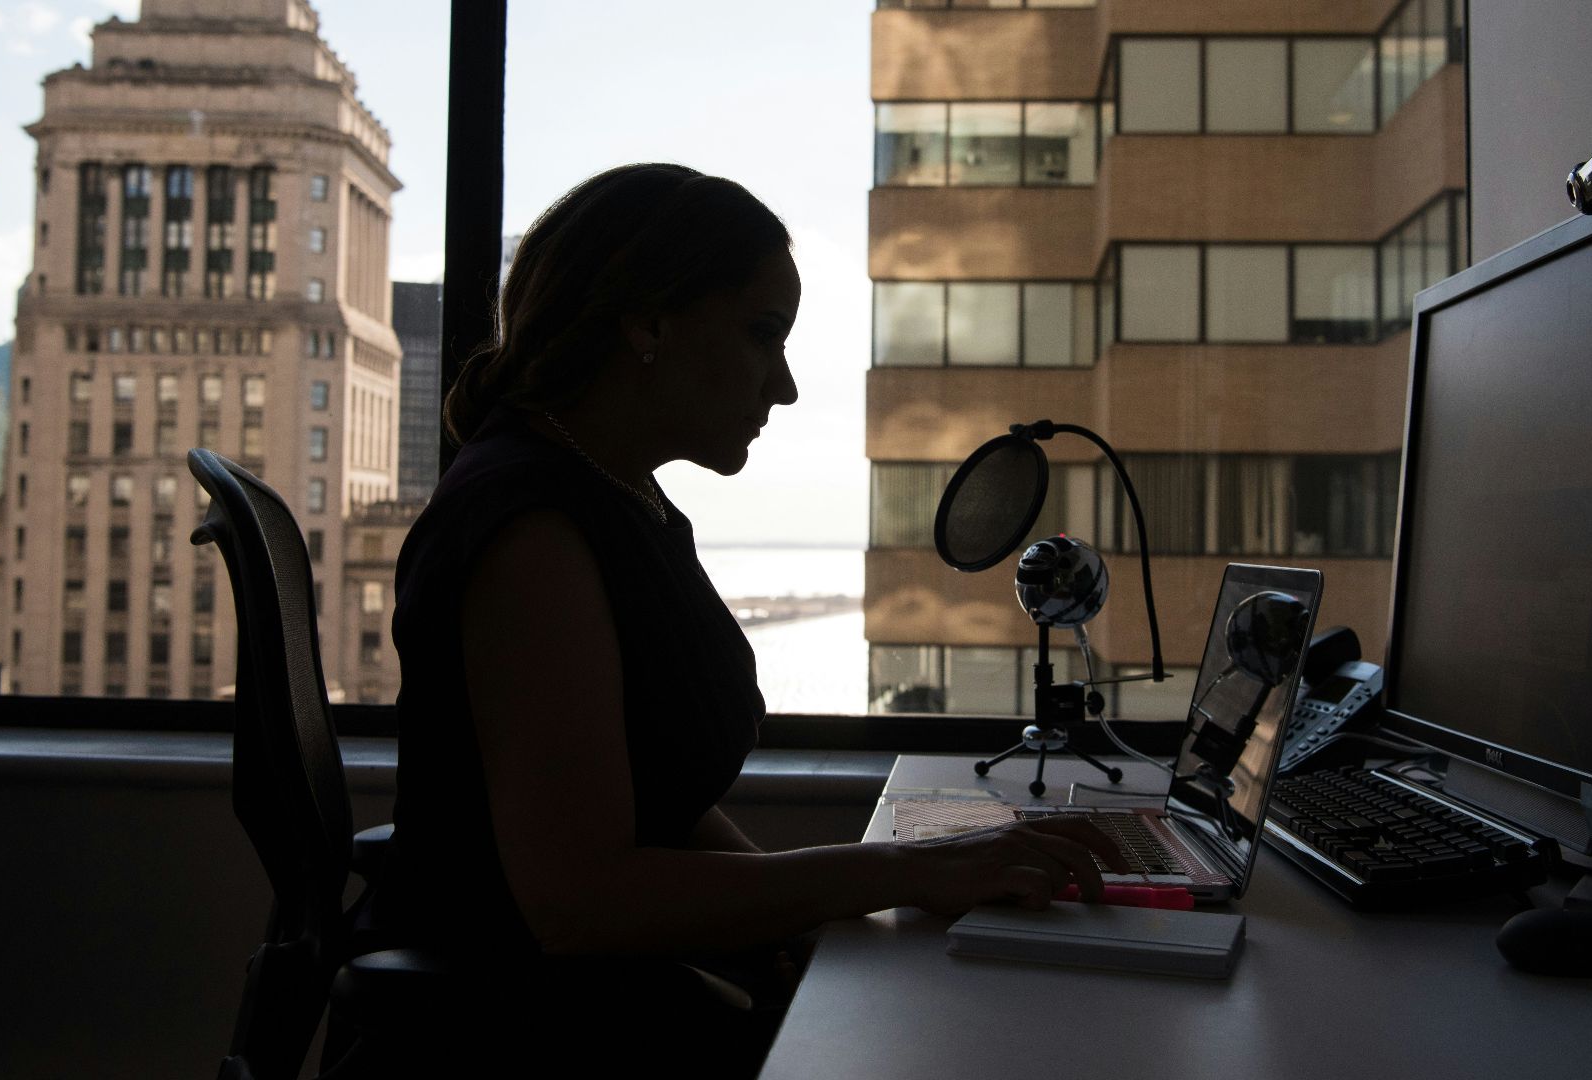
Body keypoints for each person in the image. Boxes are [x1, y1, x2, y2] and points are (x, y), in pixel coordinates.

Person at [380, 163, 1125, 1070]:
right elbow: (578, 901)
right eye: (763, 334)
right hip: (522, 1035)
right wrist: (900, 873)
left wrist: (792, 927)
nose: (785, 386)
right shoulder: (531, 531)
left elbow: (661, 800)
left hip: (603, 1002)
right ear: (649, 322)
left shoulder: (621, 502)